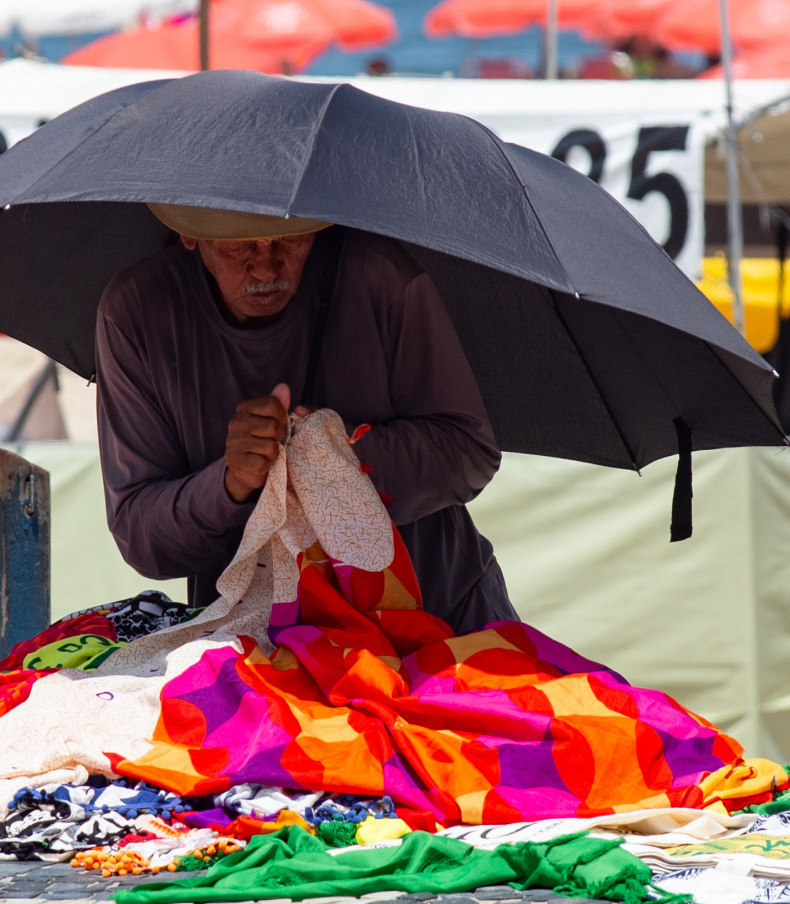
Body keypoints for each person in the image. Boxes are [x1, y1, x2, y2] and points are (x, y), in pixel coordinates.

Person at [94, 205, 513, 630]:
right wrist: (231, 484)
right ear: (189, 234)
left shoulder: (377, 275)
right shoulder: (137, 312)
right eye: (237, 246)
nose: (264, 268)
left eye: (288, 239)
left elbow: (470, 449)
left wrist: (339, 453)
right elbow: (140, 533)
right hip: (255, 650)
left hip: (437, 620)